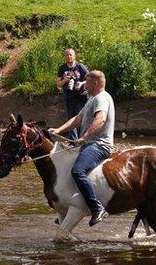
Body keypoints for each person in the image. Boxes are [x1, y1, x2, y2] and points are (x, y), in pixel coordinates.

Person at [48, 70, 116, 227]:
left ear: (96, 83)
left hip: (99, 145)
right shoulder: (91, 100)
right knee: (66, 167)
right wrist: (59, 130)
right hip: (88, 144)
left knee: (77, 171)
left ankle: (97, 208)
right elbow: (77, 119)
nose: (85, 84)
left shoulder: (102, 99)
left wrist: (84, 137)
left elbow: (100, 119)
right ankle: (66, 209)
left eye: (87, 81)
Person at [56, 49, 89, 140]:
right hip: (68, 96)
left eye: (70, 55)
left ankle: (81, 138)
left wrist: (82, 83)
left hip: (80, 96)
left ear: (74, 56)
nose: (69, 56)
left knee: (80, 117)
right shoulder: (62, 68)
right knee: (70, 117)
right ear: (65, 57)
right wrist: (64, 80)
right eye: (67, 55)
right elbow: (58, 84)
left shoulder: (80, 66)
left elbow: (90, 78)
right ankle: (73, 141)